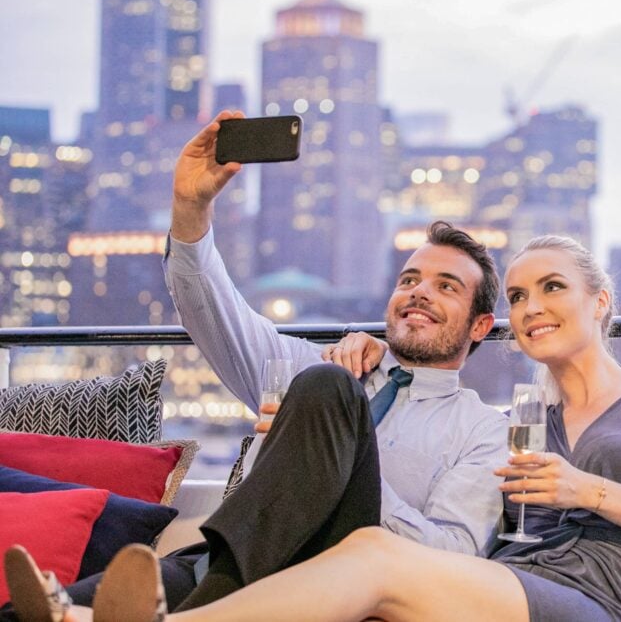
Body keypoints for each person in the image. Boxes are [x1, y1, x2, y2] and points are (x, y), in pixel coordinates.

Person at [8, 234, 621, 621]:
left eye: (552, 287)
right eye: (522, 293)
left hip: (606, 603)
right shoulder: (529, 422)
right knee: (96, 591)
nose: (534, 306)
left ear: (602, 301)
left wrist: (588, 489)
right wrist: (304, 434)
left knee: (371, 552)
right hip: (507, 583)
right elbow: (215, 314)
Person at [2, 111, 509, 619]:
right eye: (410, 279)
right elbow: (208, 307)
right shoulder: (316, 365)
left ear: (481, 325)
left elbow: (455, 557)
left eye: (446, 286)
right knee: (27, 613)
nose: (419, 291)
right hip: (213, 560)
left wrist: (335, 458)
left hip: (332, 584)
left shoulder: (482, 430)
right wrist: (190, 203)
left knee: (328, 390)